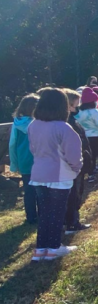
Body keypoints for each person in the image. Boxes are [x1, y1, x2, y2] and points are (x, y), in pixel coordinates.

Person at [28, 88, 82, 261]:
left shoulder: (33, 125)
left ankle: (40, 249)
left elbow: (33, 149)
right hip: (59, 176)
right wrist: (76, 169)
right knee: (57, 213)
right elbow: (73, 155)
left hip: (38, 174)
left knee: (44, 213)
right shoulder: (63, 128)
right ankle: (53, 248)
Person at [63, 89, 92, 234]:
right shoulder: (67, 122)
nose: (78, 108)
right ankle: (72, 222)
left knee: (76, 192)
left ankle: (70, 220)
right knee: (73, 193)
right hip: (73, 166)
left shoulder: (70, 120)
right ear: (68, 105)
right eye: (75, 105)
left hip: (78, 163)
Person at [9, 94, 40, 224]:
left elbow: (12, 144)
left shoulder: (17, 123)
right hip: (38, 160)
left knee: (28, 190)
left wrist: (14, 164)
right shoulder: (38, 123)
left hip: (24, 161)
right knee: (41, 189)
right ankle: (43, 213)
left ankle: (31, 217)